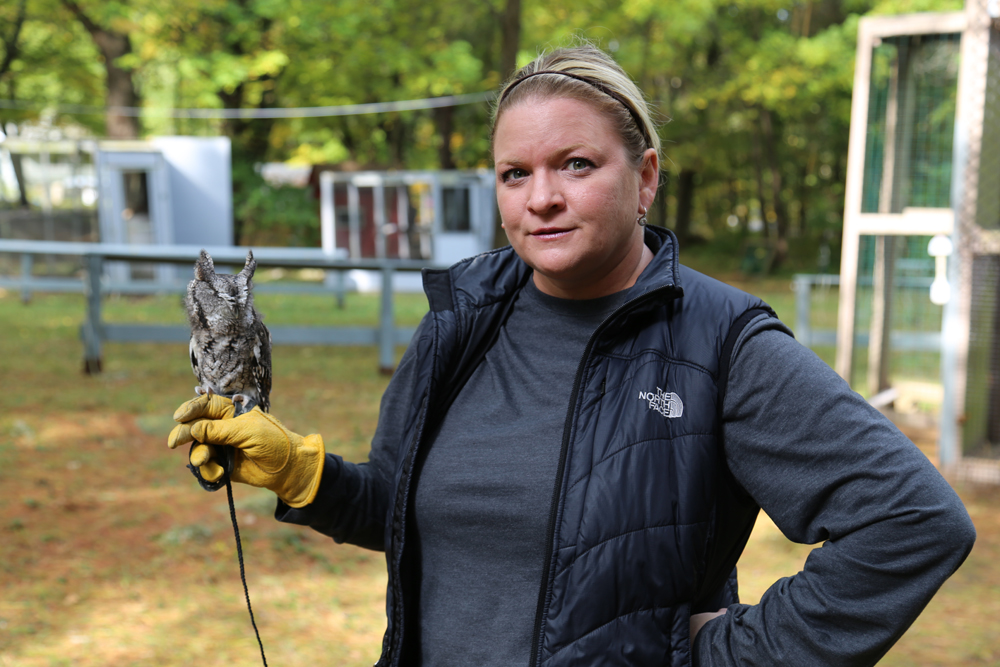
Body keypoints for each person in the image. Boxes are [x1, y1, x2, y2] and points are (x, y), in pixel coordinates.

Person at [168, 44, 976, 666]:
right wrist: (304, 474)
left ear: (645, 176)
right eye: (514, 173)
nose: (540, 197)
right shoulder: (461, 321)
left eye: (575, 165)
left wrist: (725, 654)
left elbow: (911, 521)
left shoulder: (719, 341)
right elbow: (416, 517)